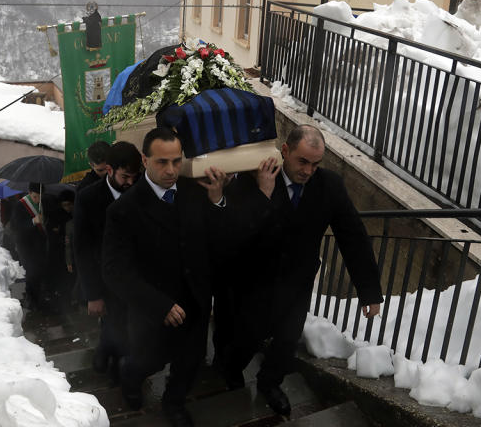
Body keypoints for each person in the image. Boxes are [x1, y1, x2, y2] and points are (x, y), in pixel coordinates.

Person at [216, 124, 383, 418]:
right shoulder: (254, 177)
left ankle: (271, 383)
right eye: (302, 161)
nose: (307, 170)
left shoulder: (330, 185)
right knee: (247, 335)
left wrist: (369, 291)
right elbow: (234, 227)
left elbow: (352, 236)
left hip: (297, 279)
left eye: (315, 164)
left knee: (287, 338)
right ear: (285, 152)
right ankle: (230, 369)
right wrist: (263, 195)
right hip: (253, 278)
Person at [102, 127, 227, 427]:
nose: (171, 170)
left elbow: (216, 240)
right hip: (151, 309)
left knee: (189, 362)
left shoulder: (195, 191)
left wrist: (218, 201)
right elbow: (115, 270)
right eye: (161, 162)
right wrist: (159, 306)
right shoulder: (124, 209)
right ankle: (129, 378)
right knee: (147, 361)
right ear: (144, 160)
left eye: (176, 161)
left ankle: (174, 403)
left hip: (194, 303)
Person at [73, 141, 141, 382]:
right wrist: (93, 294)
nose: (130, 182)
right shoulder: (87, 198)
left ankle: (121, 365)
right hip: (106, 281)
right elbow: (81, 248)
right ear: (109, 170)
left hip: (137, 278)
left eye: (135, 176)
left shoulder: (140, 190)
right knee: (115, 329)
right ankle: (116, 374)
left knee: (134, 331)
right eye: (125, 176)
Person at [14, 183, 50, 311]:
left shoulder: (43, 202)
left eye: (40, 197)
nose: (37, 200)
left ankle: (40, 297)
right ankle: (32, 300)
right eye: (35, 197)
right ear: (29, 193)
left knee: (40, 271)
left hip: (40, 244)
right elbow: (17, 227)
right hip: (27, 245)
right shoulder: (21, 205)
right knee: (31, 273)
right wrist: (33, 222)